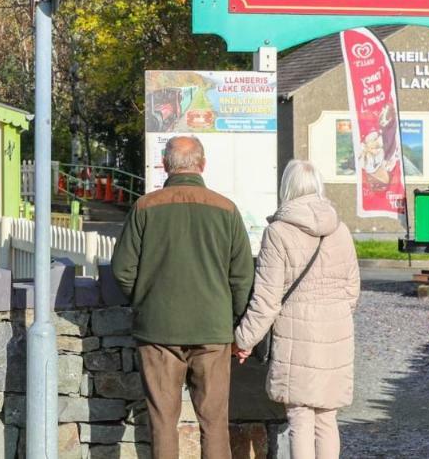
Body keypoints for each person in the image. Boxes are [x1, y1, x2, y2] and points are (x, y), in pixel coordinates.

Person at [111, 135, 254, 459]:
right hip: (212, 330)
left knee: (163, 423)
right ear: (202, 165)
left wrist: (146, 301)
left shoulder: (145, 207)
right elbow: (242, 276)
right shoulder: (226, 209)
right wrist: (230, 318)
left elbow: (122, 269)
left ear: (164, 165)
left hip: (158, 330)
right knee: (215, 422)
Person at [233, 160, 360, 459]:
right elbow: (352, 289)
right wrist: (334, 314)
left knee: (300, 418)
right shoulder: (340, 230)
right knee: (328, 418)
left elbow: (266, 299)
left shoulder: (278, 232)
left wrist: (243, 340)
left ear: (286, 188)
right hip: (336, 333)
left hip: (296, 335)